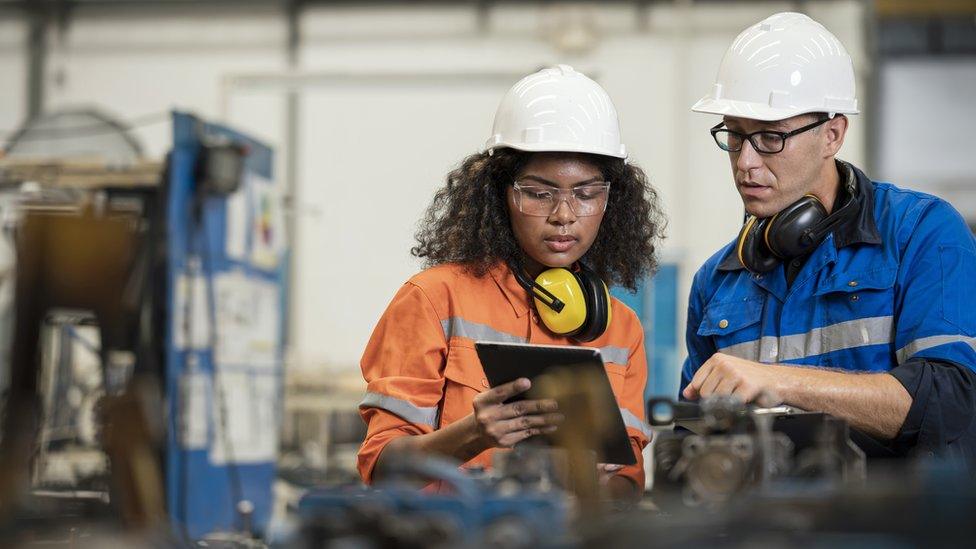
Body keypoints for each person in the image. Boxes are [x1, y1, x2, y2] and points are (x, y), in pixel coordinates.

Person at [357, 65, 666, 499]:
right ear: (501, 193)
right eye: (540, 192)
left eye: (586, 193)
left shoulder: (621, 328)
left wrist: (594, 483)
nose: (564, 214)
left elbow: (629, 485)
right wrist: (472, 434)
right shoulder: (433, 299)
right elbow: (381, 466)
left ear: (611, 200)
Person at [682, 12, 976, 460]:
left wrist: (780, 380)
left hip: (896, 526)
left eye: (770, 138)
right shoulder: (717, 281)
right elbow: (692, 433)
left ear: (832, 135)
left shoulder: (923, 233)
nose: (745, 162)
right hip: (762, 529)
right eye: (735, 137)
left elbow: (948, 403)